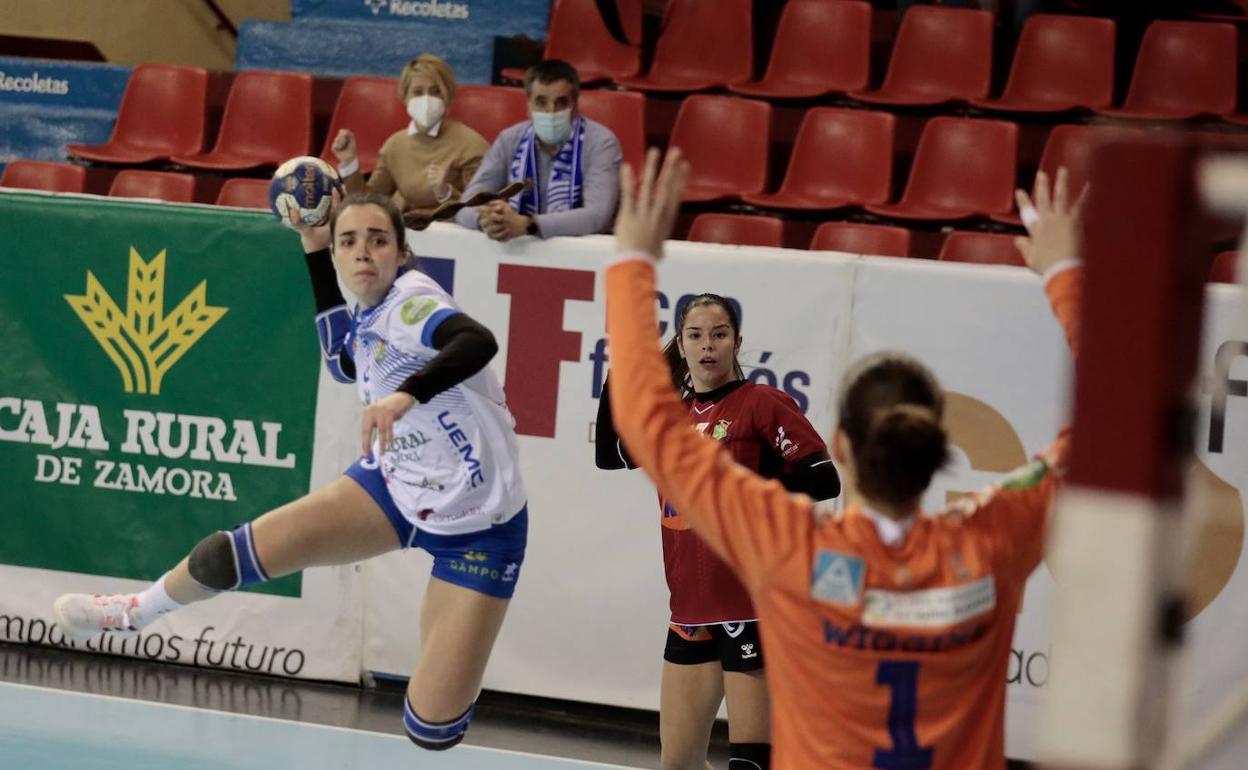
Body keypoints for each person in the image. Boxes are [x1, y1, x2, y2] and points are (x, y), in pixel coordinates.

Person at [604, 147, 1084, 769]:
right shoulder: (994, 541)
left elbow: (649, 423)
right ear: (941, 449)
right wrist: (1066, 272)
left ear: (846, 449)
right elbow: (1120, 422)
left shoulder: (794, 548)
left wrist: (634, 255)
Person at [53, 191, 528, 753]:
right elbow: (341, 361)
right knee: (223, 556)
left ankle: (458, 660)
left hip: (480, 528)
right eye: (348, 242)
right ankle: (133, 613)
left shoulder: (410, 301)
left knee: (431, 729)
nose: (363, 253)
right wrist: (312, 248)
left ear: (402, 253)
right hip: (394, 488)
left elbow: (477, 340)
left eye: (378, 240)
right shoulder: (370, 310)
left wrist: (406, 397)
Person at [595, 297, 840, 770]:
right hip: (689, 612)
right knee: (679, 764)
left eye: (719, 334)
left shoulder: (762, 404)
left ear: (737, 342)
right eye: (696, 335)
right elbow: (609, 453)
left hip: (752, 608)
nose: (708, 345)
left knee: (750, 763)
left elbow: (823, 478)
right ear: (682, 345)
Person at [455, 59, 622, 241]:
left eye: (561, 102)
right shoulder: (510, 139)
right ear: (529, 105)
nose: (551, 111)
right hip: (519, 251)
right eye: (541, 102)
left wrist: (528, 224)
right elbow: (465, 205)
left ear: (575, 103)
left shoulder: (601, 143)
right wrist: (487, 220)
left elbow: (597, 216)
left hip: (583, 257)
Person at [332, 54, 489, 218]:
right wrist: (349, 162)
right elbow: (369, 202)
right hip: (409, 232)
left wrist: (446, 193)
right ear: (405, 97)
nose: (427, 100)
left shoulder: (471, 145)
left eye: (436, 92)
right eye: (418, 92)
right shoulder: (395, 146)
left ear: (447, 96)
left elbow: (479, 209)